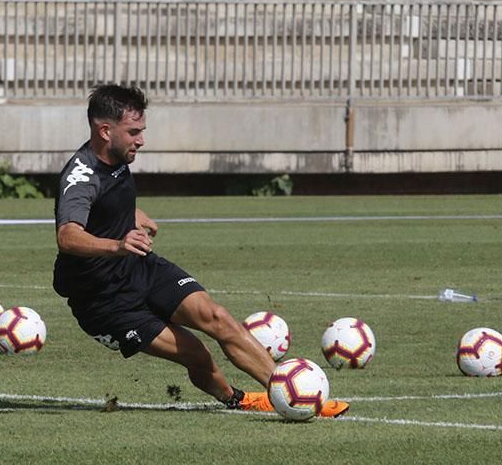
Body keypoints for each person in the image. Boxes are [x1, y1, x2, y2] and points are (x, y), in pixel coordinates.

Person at [52, 84, 349, 417]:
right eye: (133, 132)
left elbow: (104, 204)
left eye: (142, 130)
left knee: (218, 317)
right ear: (105, 131)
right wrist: (118, 243)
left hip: (138, 268)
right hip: (104, 301)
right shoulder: (80, 177)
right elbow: (68, 236)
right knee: (195, 352)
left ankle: (287, 392)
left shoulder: (117, 157)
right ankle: (236, 399)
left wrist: (128, 215)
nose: (141, 140)